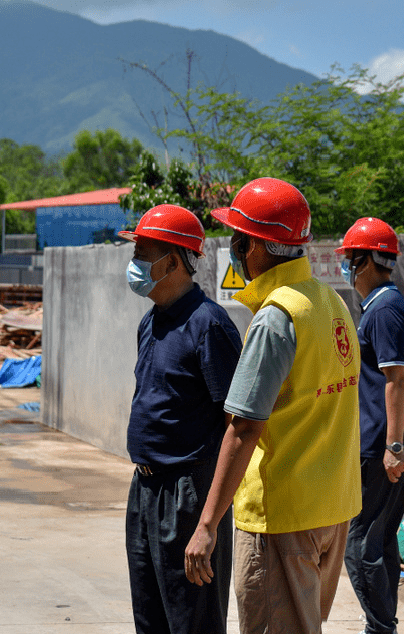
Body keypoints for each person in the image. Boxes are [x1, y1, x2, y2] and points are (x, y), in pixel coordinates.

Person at [184, 177, 362, 634]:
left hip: (283, 517)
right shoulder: (332, 303)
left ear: (256, 247)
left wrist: (207, 525)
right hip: (332, 509)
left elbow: (243, 429)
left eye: (238, 241)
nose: (236, 252)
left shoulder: (276, 317)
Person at [118, 204, 242, 633]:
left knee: (193, 622)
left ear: (172, 261)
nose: (134, 264)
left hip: (187, 495)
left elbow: (237, 427)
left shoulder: (209, 326)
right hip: (146, 490)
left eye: (142, 253)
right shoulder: (150, 323)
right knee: (150, 620)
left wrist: (207, 524)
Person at [337, 217, 404, 634]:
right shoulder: (388, 306)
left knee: (359, 546)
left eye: (351, 259)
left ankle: (381, 627)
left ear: (369, 261)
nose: (348, 268)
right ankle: (382, 625)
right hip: (384, 446)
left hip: (380, 449)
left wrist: (393, 446)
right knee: (381, 543)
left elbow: (396, 380)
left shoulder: (384, 310)